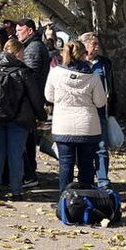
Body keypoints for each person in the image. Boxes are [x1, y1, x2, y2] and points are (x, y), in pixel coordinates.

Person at [0, 38, 46, 200]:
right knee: (15, 154)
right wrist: (41, 116)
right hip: (19, 119)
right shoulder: (23, 71)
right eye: (22, 51)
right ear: (17, 53)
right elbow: (35, 97)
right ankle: (16, 191)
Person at [45, 41, 107, 193]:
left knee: (66, 164)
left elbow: (49, 96)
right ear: (83, 53)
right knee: (87, 165)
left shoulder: (55, 73)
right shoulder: (92, 76)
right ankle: (86, 198)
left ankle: (65, 200)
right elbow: (100, 102)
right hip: (88, 126)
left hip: (63, 125)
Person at [16, 18, 50, 189]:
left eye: (19, 30)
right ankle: (29, 173)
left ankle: (29, 174)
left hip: (29, 101)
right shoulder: (32, 46)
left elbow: (31, 77)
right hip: (30, 100)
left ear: (29, 30)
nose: (16, 33)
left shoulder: (34, 48)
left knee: (25, 139)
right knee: (27, 138)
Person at [79, 32, 116, 188]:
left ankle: (103, 179)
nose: (96, 47)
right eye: (93, 44)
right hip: (82, 110)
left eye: (97, 44)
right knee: (84, 147)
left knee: (101, 146)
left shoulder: (104, 63)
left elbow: (111, 86)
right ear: (85, 45)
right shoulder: (78, 64)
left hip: (100, 109)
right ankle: (85, 178)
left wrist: (112, 109)